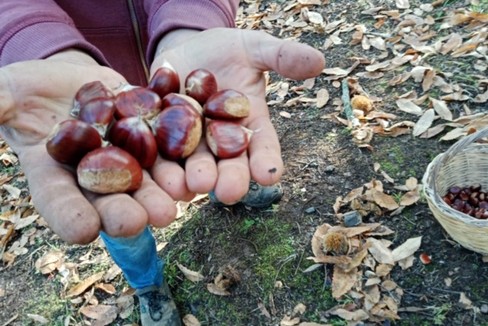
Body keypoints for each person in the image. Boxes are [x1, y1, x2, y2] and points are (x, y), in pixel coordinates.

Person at [0, 1, 325, 325]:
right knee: (121, 218)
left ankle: (222, 191)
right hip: (70, 77)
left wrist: (193, 22)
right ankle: (148, 285)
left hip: (176, 66)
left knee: (207, 163)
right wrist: (35, 44)